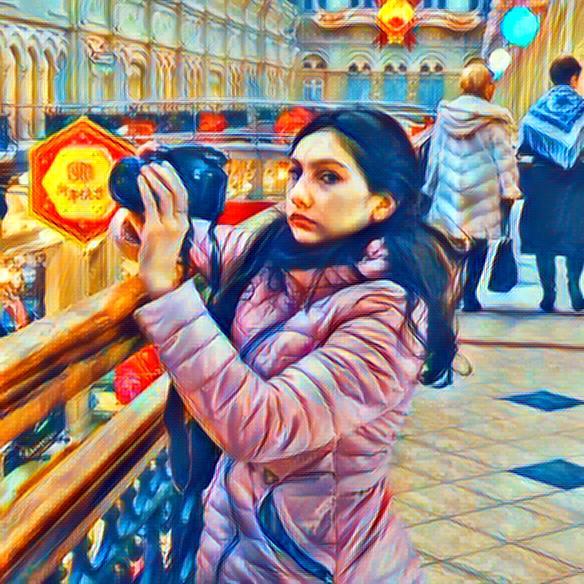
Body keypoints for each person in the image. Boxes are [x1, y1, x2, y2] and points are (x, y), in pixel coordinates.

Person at [113, 109, 458, 582]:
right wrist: (148, 196)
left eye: (328, 177)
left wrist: (167, 293)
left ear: (382, 203)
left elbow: (262, 426)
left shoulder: (388, 314)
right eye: (296, 172)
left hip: (314, 562)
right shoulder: (279, 256)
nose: (298, 194)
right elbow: (190, 241)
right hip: (241, 546)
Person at [423, 61, 522, 311]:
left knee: (452, 246)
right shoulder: (494, 119)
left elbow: (436, 154)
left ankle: (453, 290)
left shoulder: (446, 116)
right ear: (487, 87)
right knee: (479, 245)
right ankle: (470, 294)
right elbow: (504, 159)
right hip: (482, 193)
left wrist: (430, 186)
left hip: (450, 189)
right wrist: (509, 189)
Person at [518, 55, 584, 312]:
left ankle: (548, 293)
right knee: (576, 235)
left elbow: (524, 146)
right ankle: (574, 286)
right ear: (574, 78)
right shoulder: (581, 108)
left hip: (543, 181)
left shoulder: (536, 110)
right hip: (576, 181)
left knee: (543, 239)